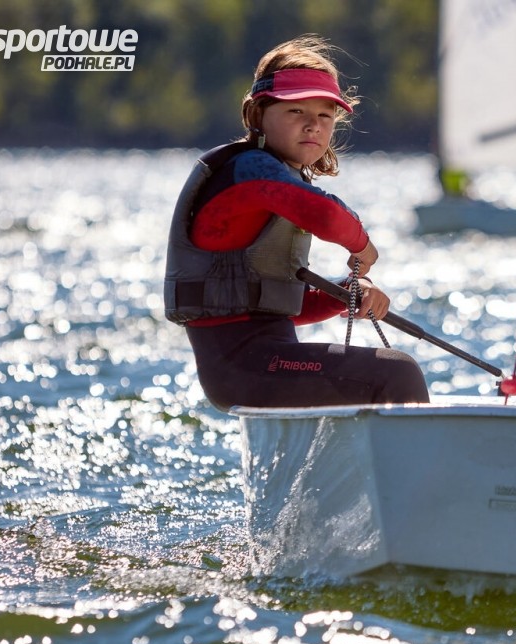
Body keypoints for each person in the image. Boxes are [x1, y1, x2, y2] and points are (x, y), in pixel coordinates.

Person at [164, 35, 429, 411]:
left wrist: (344, 294)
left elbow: (280, 302)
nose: (312, 126)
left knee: (392, 372)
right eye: (296, 111)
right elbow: (322, 213)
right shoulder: (248, 170)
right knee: (396, 373)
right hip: (243, 368)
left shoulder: (282, 181)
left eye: (325, 116)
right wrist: (362, 246)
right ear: (257, 114)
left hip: (264, 364)